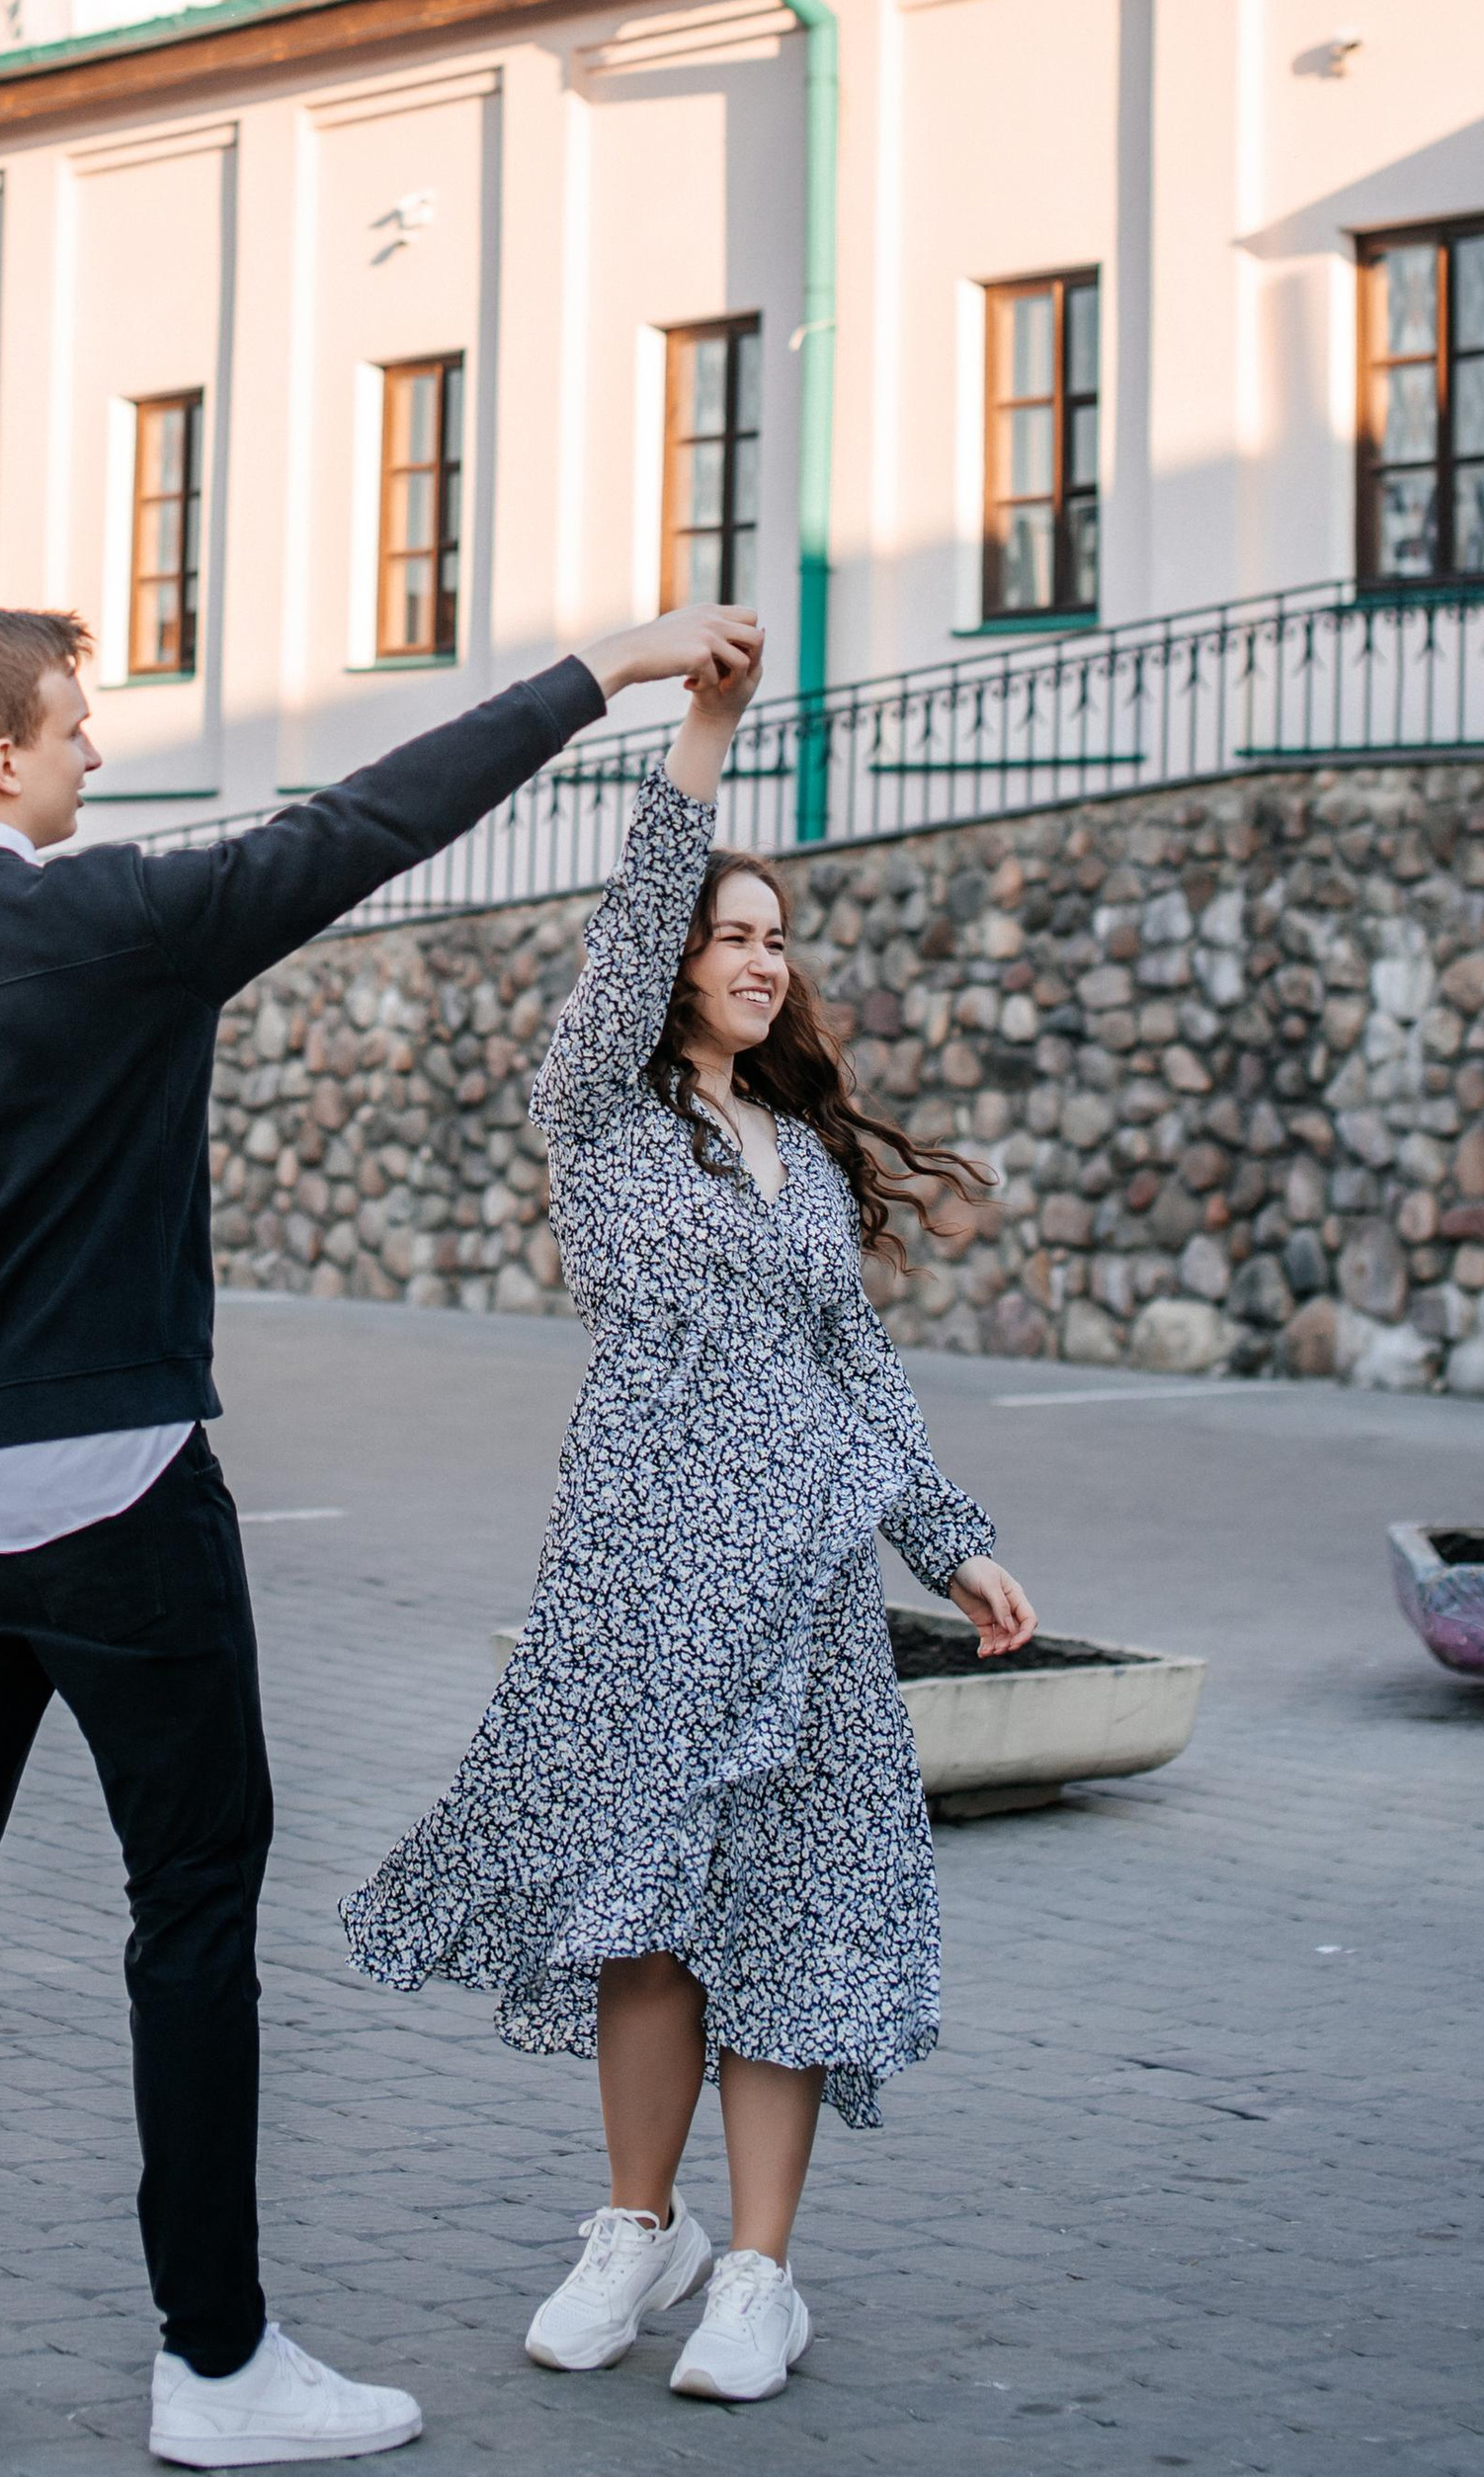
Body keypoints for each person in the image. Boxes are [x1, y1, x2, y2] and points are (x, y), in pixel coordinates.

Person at [0, 594, 759, 2472]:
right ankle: (214, 2370)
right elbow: (378, 817)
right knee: (189, 1916)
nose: (98, 751)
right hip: (127, 1502)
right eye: (75, 723)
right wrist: (605, 671)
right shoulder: (125, 923)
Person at [341, 622, 1036, 2409]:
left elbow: (856, 1373)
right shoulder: (602, 1110)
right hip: (641, 1576)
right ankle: (632, 2226)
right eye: (728, 933)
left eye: (776, 937)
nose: (755, 954)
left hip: (800, 1593)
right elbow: (638, 902)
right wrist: (700, 738)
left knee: (788, 1912)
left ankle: (757, 2273)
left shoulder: (799, 1156)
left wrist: (948, 1539)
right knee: (643, 1909)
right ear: (672, 966)